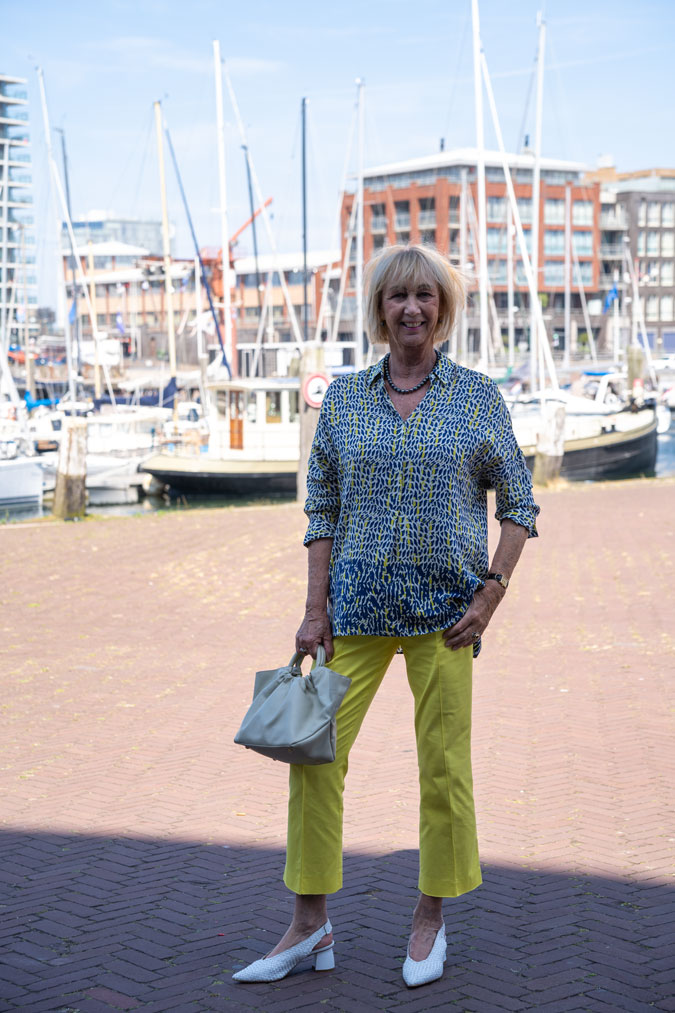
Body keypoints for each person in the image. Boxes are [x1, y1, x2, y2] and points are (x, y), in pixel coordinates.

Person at [233, 244, 539, 988]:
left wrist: (489, 594)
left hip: (446, 616)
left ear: (443, 309)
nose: (411, 308)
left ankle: (429, 916)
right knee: (313, 758)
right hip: (355, 612)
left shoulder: (475, 397)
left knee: (442, 768)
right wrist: (312, 610)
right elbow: (322, 509)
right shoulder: (343, 398)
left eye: (424, 296)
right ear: (378, 308)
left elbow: (520, 505)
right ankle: (310, 925)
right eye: (397, 295)